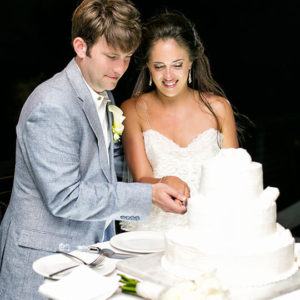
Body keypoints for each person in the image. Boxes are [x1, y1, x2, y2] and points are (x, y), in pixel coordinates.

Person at [0, 1, 187, 299]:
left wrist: (159, 182)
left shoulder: (104, 94)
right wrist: (148, 196)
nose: (120, 68)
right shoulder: (52, 105)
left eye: (126, 58)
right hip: (44, 264)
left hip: (89, 259)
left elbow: (103, 173)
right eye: (111, 56)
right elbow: (65, 197)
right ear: (80, 47)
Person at [120, 11, 239, 232]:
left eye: (177, 64)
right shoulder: (132, 110)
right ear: (147, 66)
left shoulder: (219, 109)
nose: (168, 76)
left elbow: (235, 176)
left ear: (191, 63)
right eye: (159, 66)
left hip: (213, 228)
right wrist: (162, 181)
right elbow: (141, 178)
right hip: (155, 231)